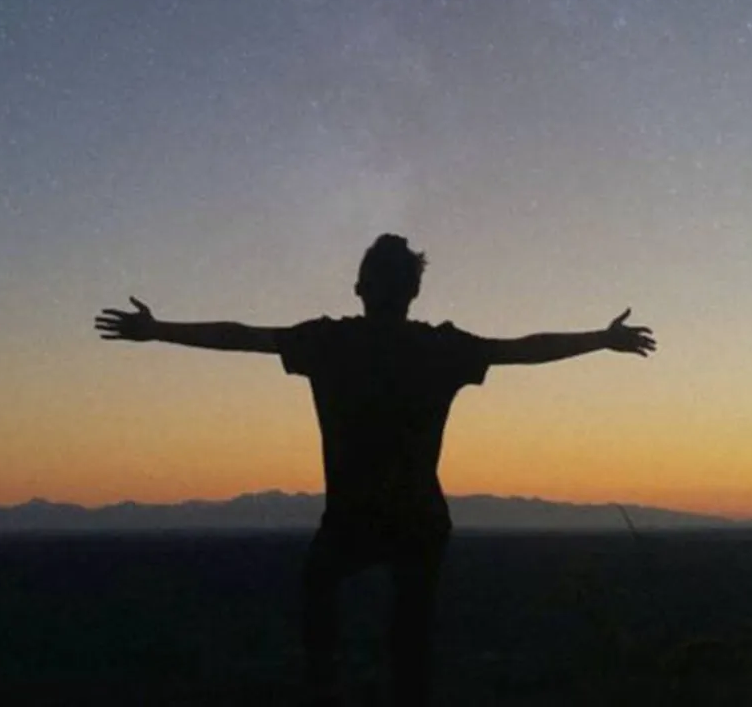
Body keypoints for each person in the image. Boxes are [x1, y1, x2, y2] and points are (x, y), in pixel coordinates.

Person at [95, 234, 656, 706]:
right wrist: (601, 340)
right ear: (413, 292)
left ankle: (326, 689)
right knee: (409, 642)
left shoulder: (331, 342)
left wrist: (159, 329)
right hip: (418, 518)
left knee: (325, 601)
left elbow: (242, 336)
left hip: (356, 517)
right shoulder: (437, 348)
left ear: (361, 287)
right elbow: (521, 349)